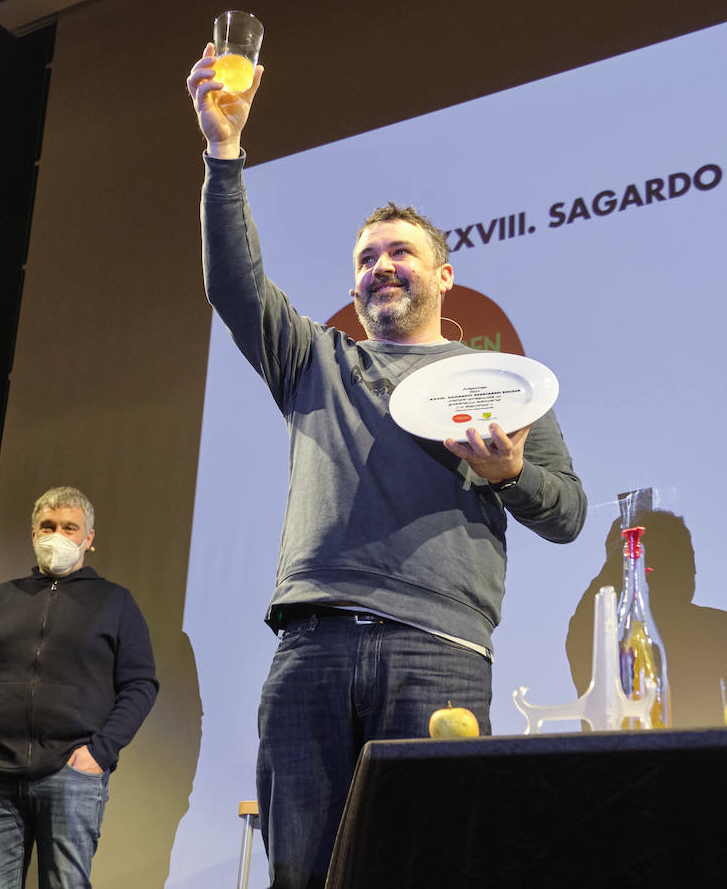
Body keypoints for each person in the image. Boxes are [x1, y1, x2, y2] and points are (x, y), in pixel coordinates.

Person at [186, 45, 587, 888]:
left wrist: (511, 472)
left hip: (440, 649)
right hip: (311, 649)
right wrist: (224, 154)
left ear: (444, 273)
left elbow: (568, 514)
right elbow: (234, 285)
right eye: (366, 258)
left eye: (399, 253)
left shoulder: (502, 384)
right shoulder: (315, 361)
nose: (381, 268)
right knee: (304, 872)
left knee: (429, 865)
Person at [0, 486, 158, 889]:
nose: (57, 535)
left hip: (71, 773)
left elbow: (141, 684)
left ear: (89, 539)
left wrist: (99, 752)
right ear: (33, 533)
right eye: (48, 526)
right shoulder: (0, 599)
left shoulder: (115, 602)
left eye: (69, 527)